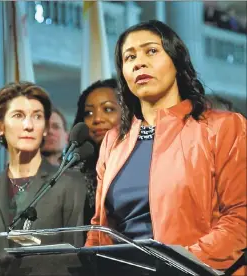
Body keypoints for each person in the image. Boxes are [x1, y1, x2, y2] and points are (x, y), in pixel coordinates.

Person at [85, 20, 246, 275]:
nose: (139, 62)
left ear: (176, 61)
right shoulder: (113, 141)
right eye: (130, 57)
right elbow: (99, 229)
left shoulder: (223, 127)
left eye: (151, 51)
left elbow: (240, 217)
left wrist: (176, 265)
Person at [0, 82, 86, 275]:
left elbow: (77, 260)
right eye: (18, 116)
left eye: (37, 116)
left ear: (45, 127)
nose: (28, 125)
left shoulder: (70, 184)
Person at [71, 78, 121, 226]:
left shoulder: (142, 160)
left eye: (108, 109)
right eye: (89, 113)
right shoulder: (76, 171)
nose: (97, 119)